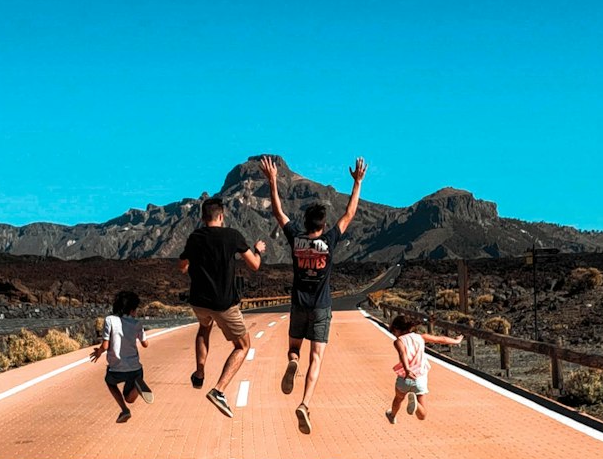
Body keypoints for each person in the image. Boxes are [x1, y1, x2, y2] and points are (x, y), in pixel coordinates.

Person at [259, 155, 368, 434]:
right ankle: (305, 404)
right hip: (321, 306)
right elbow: (349, 214)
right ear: (322, 224)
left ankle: (292, 361)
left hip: (298, 305)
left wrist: (272, 181)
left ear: (305, 222)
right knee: (316, 359)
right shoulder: (329, 241)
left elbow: (278, 213)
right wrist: (357, 183)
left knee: (294, 349)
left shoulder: (296, 238)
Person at [178, 197, 267, 417]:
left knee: (204, 328)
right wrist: (258, 250)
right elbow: (254, 265)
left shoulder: (194, 237)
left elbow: (182, 267)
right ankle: (219, 390)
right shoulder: (232, 236)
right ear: (221, 216)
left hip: (199, 301)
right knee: (243, 345)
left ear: (202, 217)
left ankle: (199, 373)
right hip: (223, 303)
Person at [385, 311, 462, 424]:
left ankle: (392, 415)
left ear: (397, 329)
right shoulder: (421, 337)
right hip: (419, 378)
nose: (394, 334)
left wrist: (407, 370)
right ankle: (416, 405)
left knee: (398, 398)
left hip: (404, 378)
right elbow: (441, 339)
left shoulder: (398, 341)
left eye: (394, 332)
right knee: (423, 415)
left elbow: (403, 354)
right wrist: (456, 341)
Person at [91, 290, 153, 423]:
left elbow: (105, 346)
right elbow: (145, 344)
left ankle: (124, 410)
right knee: (129, 397)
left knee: (110, 382)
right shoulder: (137, 324)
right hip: (136, 369)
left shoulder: (110, 320)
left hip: (117, 368)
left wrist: (98, 352)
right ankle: (137, 386)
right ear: (131, 310)